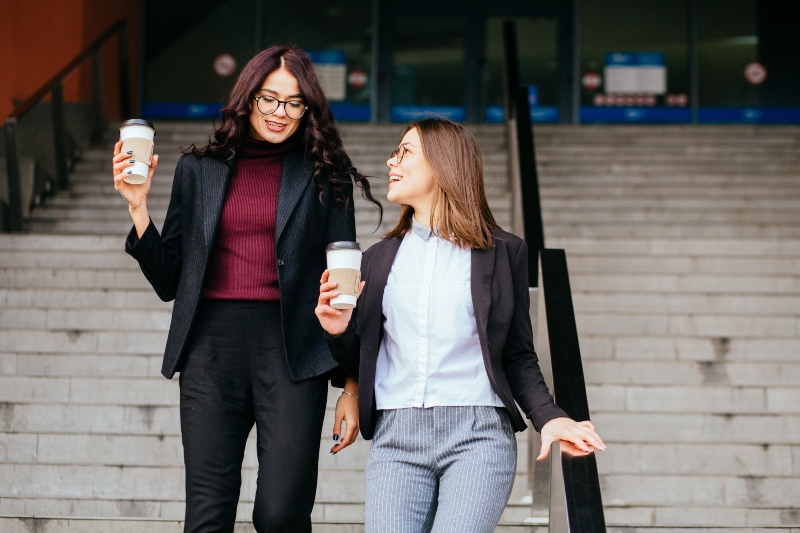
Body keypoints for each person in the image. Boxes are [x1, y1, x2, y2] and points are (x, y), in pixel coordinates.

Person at [112, 45, 381, 533]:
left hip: (292, 354)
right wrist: (137, 208)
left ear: (308, 109)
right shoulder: (199, 170)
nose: (281, 113)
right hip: (211, 352)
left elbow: (345, 288)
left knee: (281, 515)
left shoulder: (326, 176)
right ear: (247, 97)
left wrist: (352, 383)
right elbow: (170, 281)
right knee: (207, 516)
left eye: (294, 102)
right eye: (269, 99)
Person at [315, 118, 605, 533]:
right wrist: (338, 329)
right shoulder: (377, 258)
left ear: (443, 164)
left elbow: (517, 352)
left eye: (404, 152)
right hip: (396, 437)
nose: (390, 161)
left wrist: (549, 416)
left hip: (478, 435)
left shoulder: (504, 252)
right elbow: (364, 353)